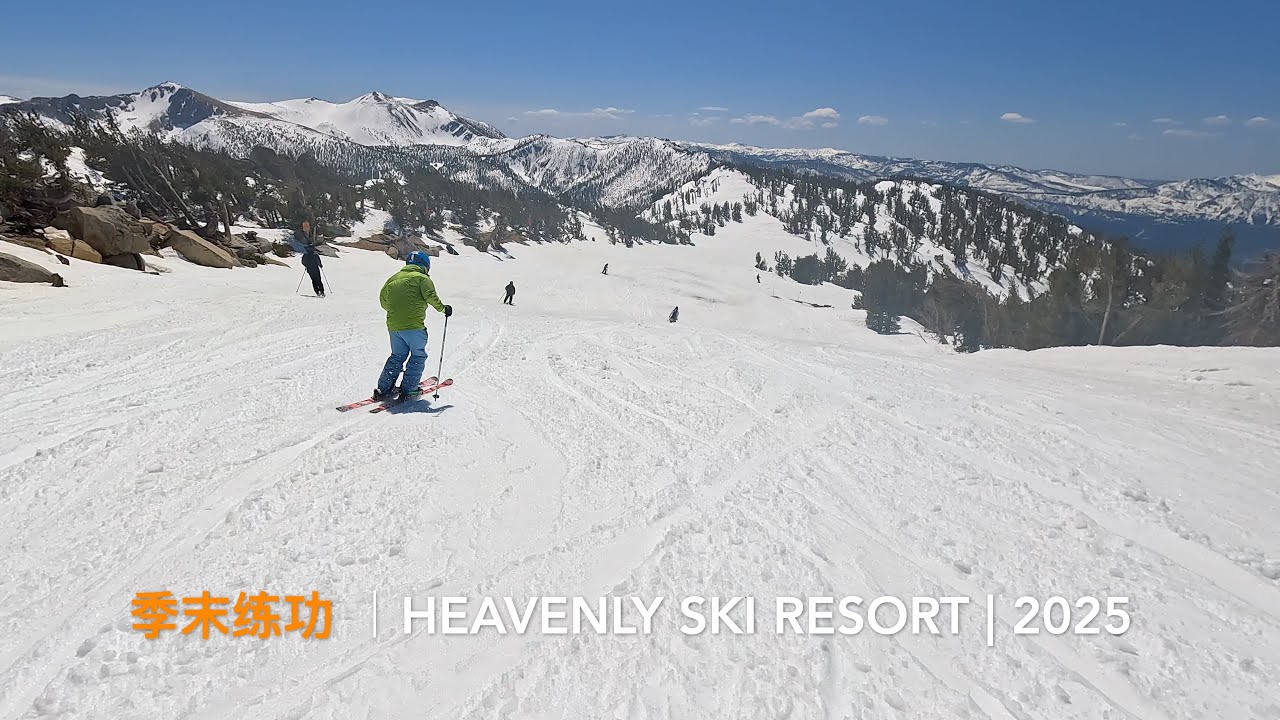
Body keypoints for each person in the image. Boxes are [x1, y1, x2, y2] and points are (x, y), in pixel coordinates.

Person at [374, 251, 452, 402]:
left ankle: (383, 388)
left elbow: (384, 302)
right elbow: (431, 298)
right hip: (414, 327)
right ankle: (409, 389)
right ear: (425, 266)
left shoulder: (392, 279)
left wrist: (398, 311)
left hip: (394, 327)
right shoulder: (422, 279)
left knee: (397, 356)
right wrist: (444, 309)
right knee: (418, 355)